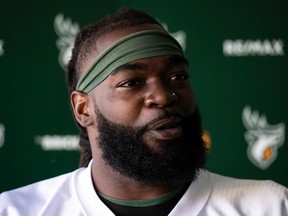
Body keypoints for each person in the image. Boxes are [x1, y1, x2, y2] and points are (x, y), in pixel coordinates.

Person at [0, 7, 287, 216]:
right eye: (131, 82)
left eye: (178, 77)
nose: (164, 95)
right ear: (83, 108)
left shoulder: (269, 206)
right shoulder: (16, 210)